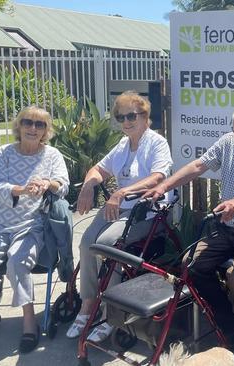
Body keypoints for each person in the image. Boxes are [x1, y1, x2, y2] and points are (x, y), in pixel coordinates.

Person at [145, 107, 234, 351]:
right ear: (233, 133)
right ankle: (226, 318)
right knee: (190, 267)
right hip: (225, 227)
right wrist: (164, 186)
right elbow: (199, 166)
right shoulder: (227, 143)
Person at [66, 91, 173, 342]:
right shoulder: (123, 144)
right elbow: (98, 169)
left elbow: (158, 177)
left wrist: (123, 191)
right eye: (120, 116)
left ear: (145, 116)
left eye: (131, 115)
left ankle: (111, 313)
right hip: (120, 208)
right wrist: (88, 186)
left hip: (148, 213)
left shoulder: (157, 143)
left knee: (107, 247)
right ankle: (88, 304)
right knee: (86, 243)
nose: (126, 121)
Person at [0, 106, 69, 353]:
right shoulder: (4, 152)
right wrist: (22, 190)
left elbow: (63, 185)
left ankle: (29, 320)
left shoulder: (52, 154)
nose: (33, 128)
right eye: (28, 122)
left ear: (46, 130)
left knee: (18, 261)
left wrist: (48, 184)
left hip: (31, 224)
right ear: (19, 126)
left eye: (40, 124)